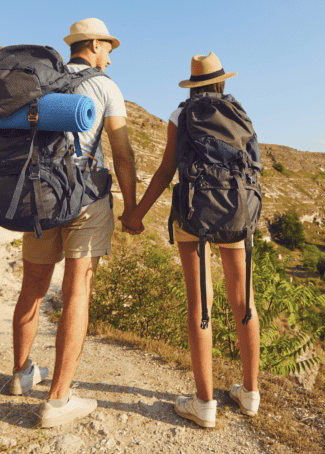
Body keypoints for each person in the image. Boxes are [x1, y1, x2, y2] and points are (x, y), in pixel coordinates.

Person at [11, 18, 141, 428]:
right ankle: (58, 400)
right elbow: (122, 154)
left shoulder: (42, 80)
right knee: (76, 292)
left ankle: (20, 374)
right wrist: (132, 208)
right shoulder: (105, 86)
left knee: (31, 287)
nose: (110, 56)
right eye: (109, 48)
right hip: (84, 197)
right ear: (96, 45)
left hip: (39, 194)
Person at [120, 52, 260, 429]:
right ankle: (250, 394)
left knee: (201, 303)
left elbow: (167, 170)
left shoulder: (181, 115)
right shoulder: (240, 113)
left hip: (194, 213)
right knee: (244, 300)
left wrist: (137, 214)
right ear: (222, 82)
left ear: (193, 84)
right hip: (236, 210)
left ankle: (204, 403)